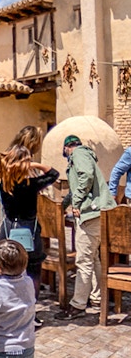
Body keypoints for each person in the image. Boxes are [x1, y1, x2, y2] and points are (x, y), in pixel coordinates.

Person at [0, 145, 59, 327]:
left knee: (7, 268)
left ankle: (9, 309)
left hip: (8, 230)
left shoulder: (1, 182)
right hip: (28, 230)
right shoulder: (31, 184)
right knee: (32, 270)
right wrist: (33, 164)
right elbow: (54, 174)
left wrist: (7, 160)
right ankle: (30, 312)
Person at [55, 135, 115, 320]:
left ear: (67, 148)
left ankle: (78, 304)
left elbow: (86, 177)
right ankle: (97, 298)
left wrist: (76, 203)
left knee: (83, 260)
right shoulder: (85, 155)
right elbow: (76, 188)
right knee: (94, 257)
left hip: (91, 214)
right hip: (98, 213)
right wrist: (64, 204)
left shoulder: (79, 154)